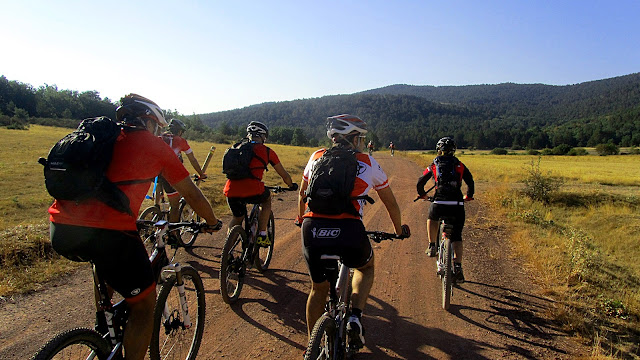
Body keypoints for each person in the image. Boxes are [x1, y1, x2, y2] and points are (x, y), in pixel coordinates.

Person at [48, 94, 222, 360]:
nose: (158, 131)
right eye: (157, 126)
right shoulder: (155, 145)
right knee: (143, 306)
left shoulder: (102, 139)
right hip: (110, 232)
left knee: (105, 266)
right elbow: (192, 194)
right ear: (149, 122)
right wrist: (212, 222)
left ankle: (104, 326)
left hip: (61, 227)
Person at [297, 114, 407, 350]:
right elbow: (390, 202)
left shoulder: (316, 157)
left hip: (312, 228)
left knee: (318, 289)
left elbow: (302, 194)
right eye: (361, 138)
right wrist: (399, 230)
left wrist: (300, 219)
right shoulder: (368, 163)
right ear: (355, 138)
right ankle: (355, 317)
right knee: (365, 267)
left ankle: (312, 347)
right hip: (349, 230)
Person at [223, 121, 297, 246]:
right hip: (253, 189)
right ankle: (262, 234)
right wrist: (291, 185)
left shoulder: (236, 148)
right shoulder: (267, 151)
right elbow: (284, 175)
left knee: (237, 218)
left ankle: (228, 251)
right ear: (262, 136)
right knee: (266, 200)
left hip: (231, 189)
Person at [416, 136, 474, 283]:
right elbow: (470, 182)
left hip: (439, 202)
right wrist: (468, 196)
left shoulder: (434, 165)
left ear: (438, 150)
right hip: (457, 205)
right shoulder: (460, 165)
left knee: (432, 218)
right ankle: (458, 266)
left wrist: (423, 194)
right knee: (457, 236)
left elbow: (420, 182)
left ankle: (432, 245)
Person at [158, 118, 208, 227]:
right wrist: (201, 173)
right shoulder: (180, 141)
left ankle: (156, 212)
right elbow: (192, 159)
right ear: (180, 131)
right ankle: (173, 234)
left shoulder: (160, 137)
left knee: (161, 199)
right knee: (174, 205)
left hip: (155, 173)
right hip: (170, 175)